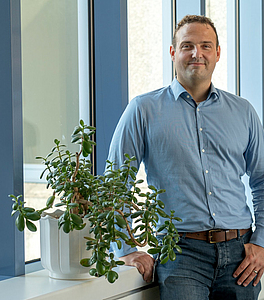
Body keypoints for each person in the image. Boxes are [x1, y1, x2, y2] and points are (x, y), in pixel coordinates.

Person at [107, 15, 264, 299]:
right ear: (173, 52)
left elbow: (262, 180)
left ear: (217, 53)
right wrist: (126, 250)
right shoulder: (142, 110)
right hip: (180, 255)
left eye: (206, 46)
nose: (197, 54)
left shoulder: (243, 111)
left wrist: (262, 242)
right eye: (187, 45)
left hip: (241, 255)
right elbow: (116, 183)